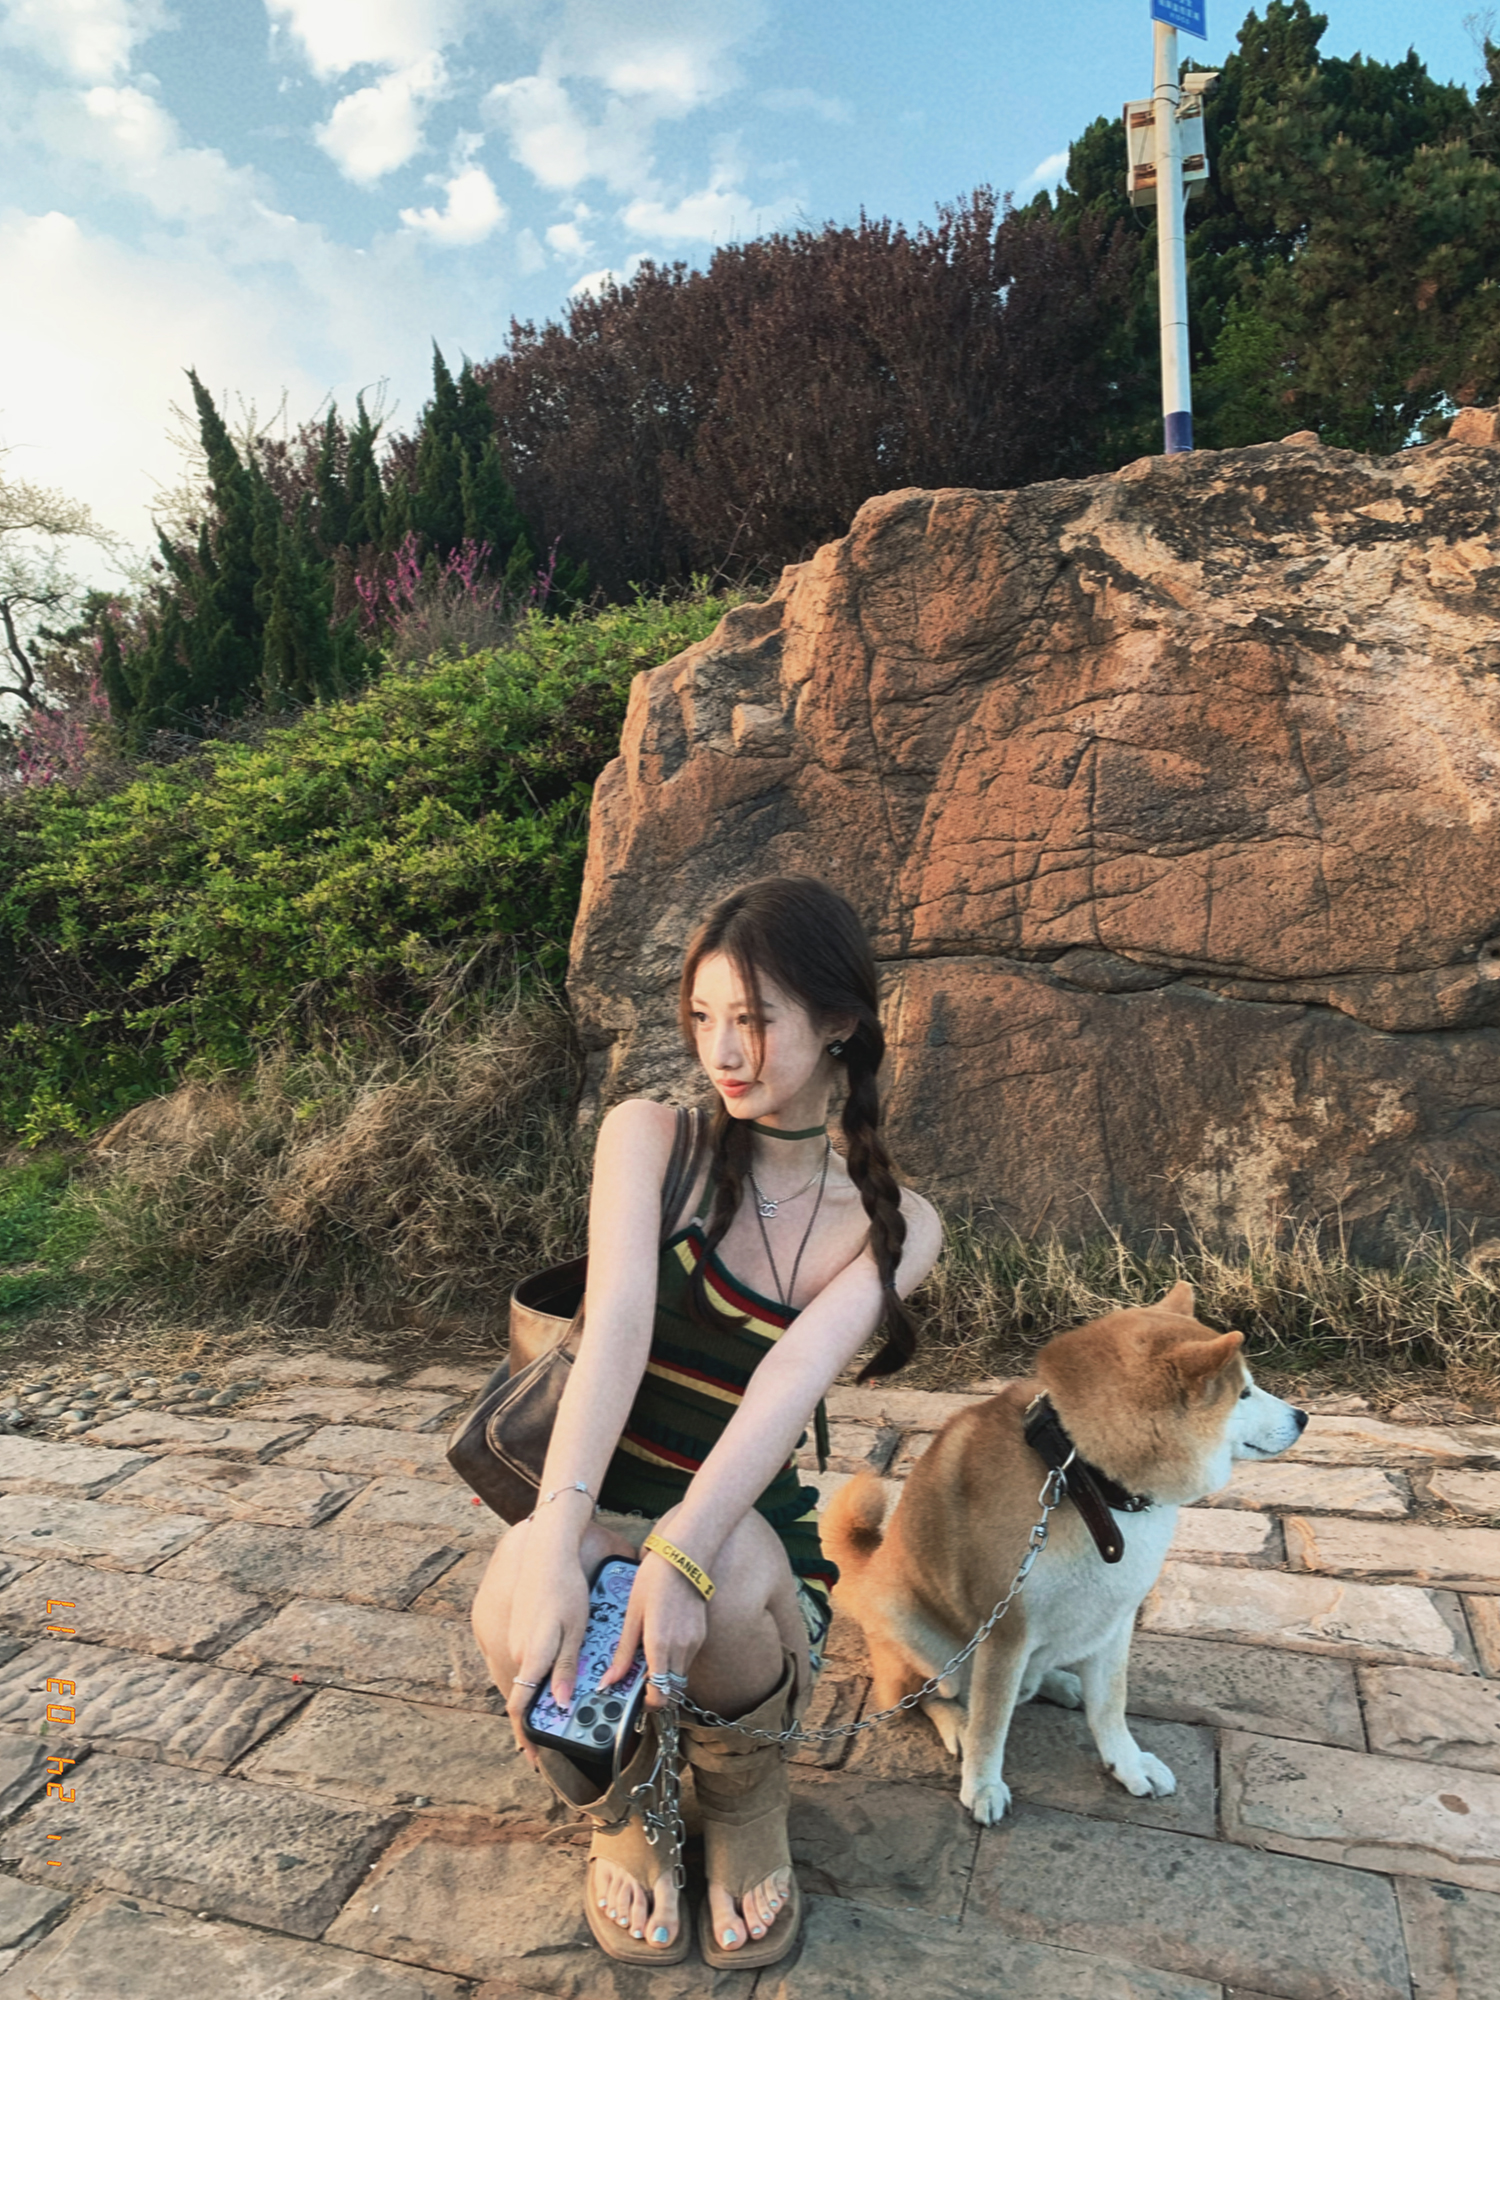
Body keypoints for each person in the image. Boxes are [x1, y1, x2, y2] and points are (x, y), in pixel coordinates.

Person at [470, 875, 942, 1969]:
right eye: (704, 1016)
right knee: (519, 1580)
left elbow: (787, 1389)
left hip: (744, 1539)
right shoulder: (649, 1138)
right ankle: (623, 1808)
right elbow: (616, 1329)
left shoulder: (897, 1226)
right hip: (599, 1498)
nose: (722, 1052)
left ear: (839, 1024)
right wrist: (560, 1537)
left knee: (719, 1578)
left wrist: (679, 1554)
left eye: (756, 1019)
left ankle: (742, 1802)